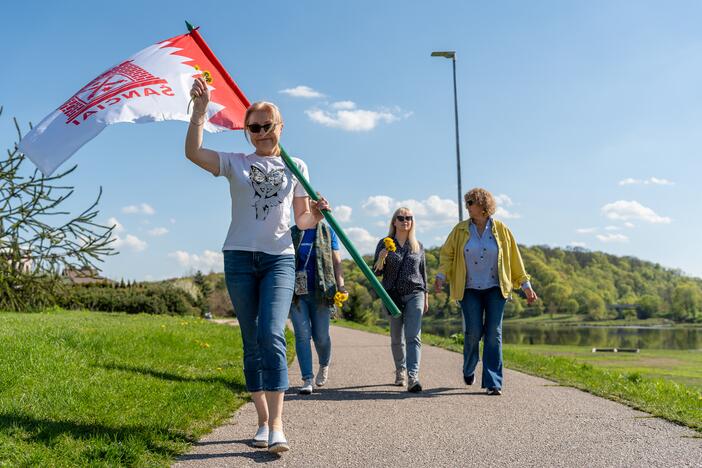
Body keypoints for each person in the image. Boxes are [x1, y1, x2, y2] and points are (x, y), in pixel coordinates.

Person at [185, 76, 329, 453]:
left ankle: (278, 423)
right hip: (238, 257)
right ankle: (262, 420)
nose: (262, 132)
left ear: (280, 127)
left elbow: (301, 221)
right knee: (251, 340)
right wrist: (199, 112)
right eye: (254, 127)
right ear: (247, 131)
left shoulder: (297, 166)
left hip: (279, 259)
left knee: (271, 333)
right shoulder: (236, 163)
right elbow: (194, 153)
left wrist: (316, 213)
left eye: (268, 125)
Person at [434, 188, 537, 395]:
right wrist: (441, 276)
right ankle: (469, 367)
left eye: (470, 202)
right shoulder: (460, 230)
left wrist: (525, 285)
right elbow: (447, 255)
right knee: (473, 332)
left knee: (493, 334)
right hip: (469, 288)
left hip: (496, 289)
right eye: (467, 202)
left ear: (483, 205)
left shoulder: (501, 230)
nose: (467, 206)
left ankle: (493, 382)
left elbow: (514, 260)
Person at [373, 207, 428, 393]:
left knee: (413, 336)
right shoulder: (384, 243)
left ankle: (413, 377)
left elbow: (423, 274)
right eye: (401, 217)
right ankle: (400, 371)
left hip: (415, 293)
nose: (405, 220)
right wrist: (381, 258)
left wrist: (426, 297)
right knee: (397, 338)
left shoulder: (418, 245)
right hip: (392, 295)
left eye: (409, 218)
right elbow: (376, 273)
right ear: (394, 222)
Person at [289, 223, 346, 395]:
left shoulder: (328, 232)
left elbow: (337, 262)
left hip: (322, 291)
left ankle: (324, 363)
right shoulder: (293, 232)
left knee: (320, 337)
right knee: (302, 335)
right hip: (297, 292)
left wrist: (341, 286)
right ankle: (307, 379)